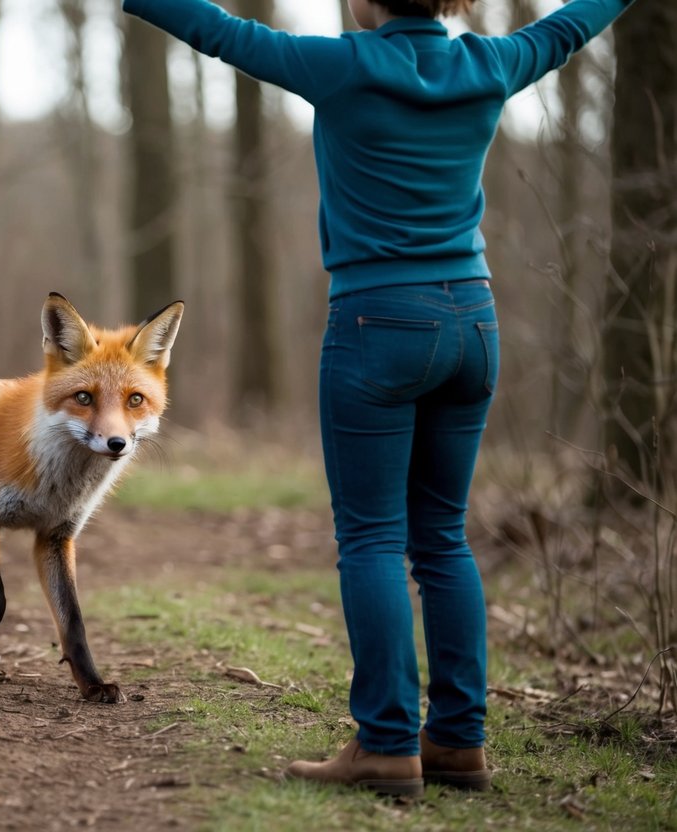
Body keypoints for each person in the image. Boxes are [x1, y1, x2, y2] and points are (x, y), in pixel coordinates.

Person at [122, 0, 636, 797]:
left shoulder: (342, 64)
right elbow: (569, 26)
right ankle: (458, 741)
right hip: (472, 322)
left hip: (378, 322)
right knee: (443, 540)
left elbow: (220, 32)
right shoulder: (490, 63)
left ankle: (387, 745)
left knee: (370, 539)